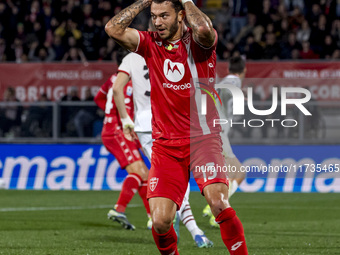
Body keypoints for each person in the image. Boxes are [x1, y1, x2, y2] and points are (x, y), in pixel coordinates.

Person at [105, 0, 248, 254]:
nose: (157, 22)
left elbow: (204, 28)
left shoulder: (200, 43)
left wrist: (187, 0)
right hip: (166, 145)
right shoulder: (149, 43)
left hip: (203, 139)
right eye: (154, 16)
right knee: (160, 221)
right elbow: (113, 29)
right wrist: (143, 3)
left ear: (181, 15)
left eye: (164, 16)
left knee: (218, 203)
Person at [112, 47, 213, 247]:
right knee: (179, 177)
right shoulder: (169, 54)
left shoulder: (131, 57)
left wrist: (125, 121)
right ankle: (194, 231)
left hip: (143, 126)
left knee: (172, 178)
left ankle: (184, 227)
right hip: (168, 124)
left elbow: (117, 89)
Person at [94, 49, 151, 231]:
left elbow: (99, 98)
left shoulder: (113, 78)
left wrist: (108, 114)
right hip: (119, 132)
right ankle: (119, 209)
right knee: (138, 171)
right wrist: (123, 122)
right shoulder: (129, 83)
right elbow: (124, 105)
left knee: (145, 174)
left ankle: (152, 217)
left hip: (114, 129)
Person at [203, 56, 247, 228]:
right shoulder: (234, 81)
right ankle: (215, 209)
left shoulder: (226, 80)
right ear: (244, 71)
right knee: (238, 174)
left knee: (233, 174)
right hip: (219, 135)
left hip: (218, 133)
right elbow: (228, 90)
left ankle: (214, 207)